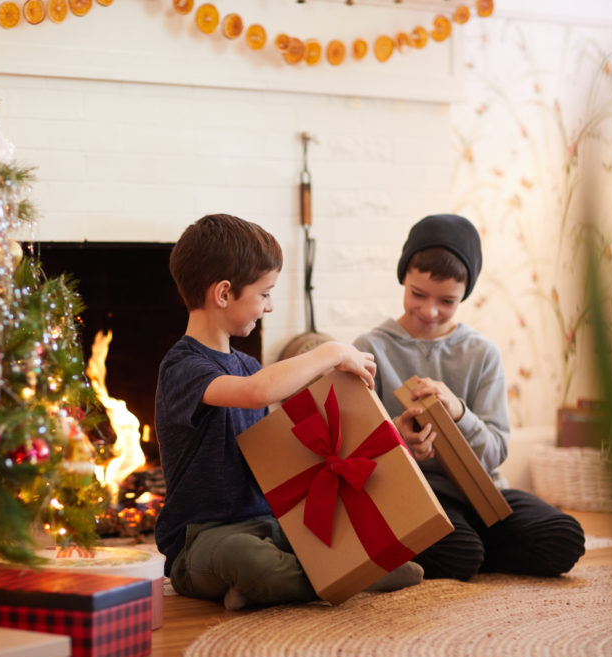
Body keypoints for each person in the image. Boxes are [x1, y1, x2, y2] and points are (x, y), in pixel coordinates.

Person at [155, 213, 423, 610]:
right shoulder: (184, 367)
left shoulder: (247, 366)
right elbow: (256, 393)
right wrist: (331, 351)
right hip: (201, 538)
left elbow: (283, 434)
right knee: (246, 558)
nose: (269, 307)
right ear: (224, 293)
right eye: (264, 294)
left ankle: (269, 586)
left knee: (367, 546)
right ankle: (343, 577)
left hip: (268, 524)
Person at [353, 214, 585, 581]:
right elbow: (355, 454)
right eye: (417, 294)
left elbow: (495, 452)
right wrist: (400, 437)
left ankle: (468, 549)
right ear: (403, 278)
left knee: (564, 537)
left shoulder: (482, 353)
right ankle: (467, 550)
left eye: (447, 301)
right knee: (458, 551)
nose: (429, 311)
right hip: (418, 494)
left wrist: (460, 412)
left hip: (483, 493)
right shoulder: (370, 349)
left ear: (465, 294)